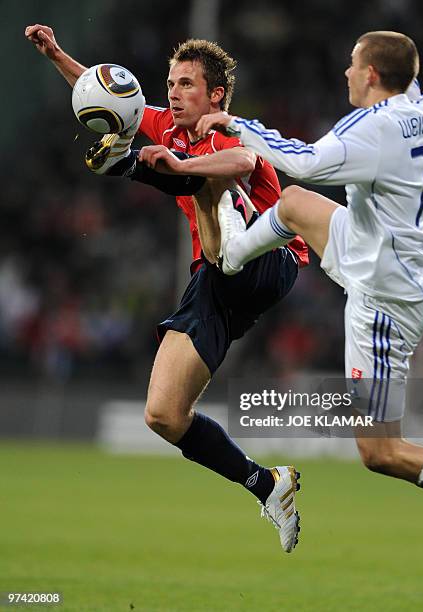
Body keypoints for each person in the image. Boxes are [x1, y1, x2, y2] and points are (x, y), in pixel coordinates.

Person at [25, 24, 310, 552]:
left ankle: (140, 172)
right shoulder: (169, 128)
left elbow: (243, 162)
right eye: (171, 84)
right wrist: (58, 55)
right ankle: (266, 484)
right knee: (163, 415)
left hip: (270, 259)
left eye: (185, 84)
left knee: (205, 178)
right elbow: (107, 96)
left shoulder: (230, 130)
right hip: (216, 277)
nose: (173, 93)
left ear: (215, 94)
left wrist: (171, 165)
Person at [196, 31, 423, 506]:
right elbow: (406, 71)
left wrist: (235, 124)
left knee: (381, 452)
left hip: (383, 296)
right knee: (293, 205)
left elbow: (303, 161)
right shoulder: (420, 108)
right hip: (375, 246)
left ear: (371, 75)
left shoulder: (375, 129)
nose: (346, 71)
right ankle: (230, 256)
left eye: (353, 63)